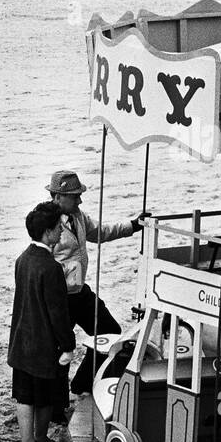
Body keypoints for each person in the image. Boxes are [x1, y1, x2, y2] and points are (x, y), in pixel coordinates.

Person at [45, 168, 150, 417]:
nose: (80, 200)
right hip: (59, 298)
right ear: (58, 197)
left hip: (79, 292)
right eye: (75, 196)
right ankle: (57, 406)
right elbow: (41, 261)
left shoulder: (78, 217)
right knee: (59, 351)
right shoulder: (47, 224)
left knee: (110, 333)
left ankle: (80, 384)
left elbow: (101, 232)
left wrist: (133, 225)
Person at [8, 202, 76, 442]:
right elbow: (58, 314)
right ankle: (35, 440)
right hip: (43, 344)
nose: (61, 232)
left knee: (25, 395)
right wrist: (68, 344)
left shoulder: (22, 259)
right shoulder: (51, 267)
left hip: (21, 341)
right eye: (58, 228)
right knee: (46, 395)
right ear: (47, 232)